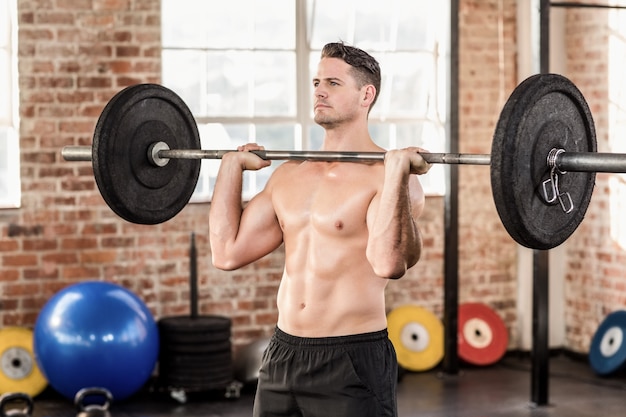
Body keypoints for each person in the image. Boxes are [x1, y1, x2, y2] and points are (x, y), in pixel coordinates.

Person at [208, 41, 431, 417]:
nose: (319, 91)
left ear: (366, 94)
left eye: (332, 82)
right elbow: (226, 252)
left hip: (351, 359)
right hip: (282, 355)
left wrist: (395, 172)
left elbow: (388, 263)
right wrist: (230, 168)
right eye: (316, 82)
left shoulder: (388, 180)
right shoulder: (289, 175)